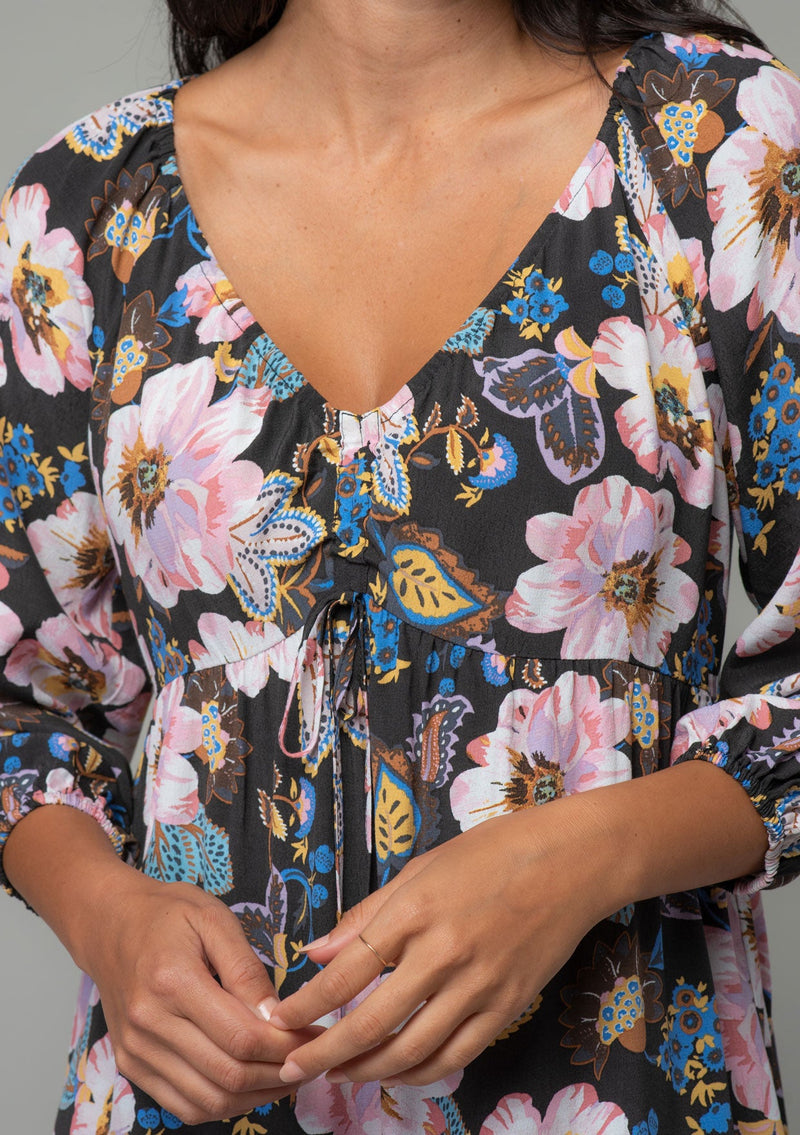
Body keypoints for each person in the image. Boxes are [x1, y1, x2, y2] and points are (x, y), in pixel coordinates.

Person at [1, 0, 799, 1130]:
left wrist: (584, 855)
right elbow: (21, 705)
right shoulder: (88, 206)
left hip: (616, 1088)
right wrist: (109, 919)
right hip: (198, 1099)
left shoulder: (712, 147)